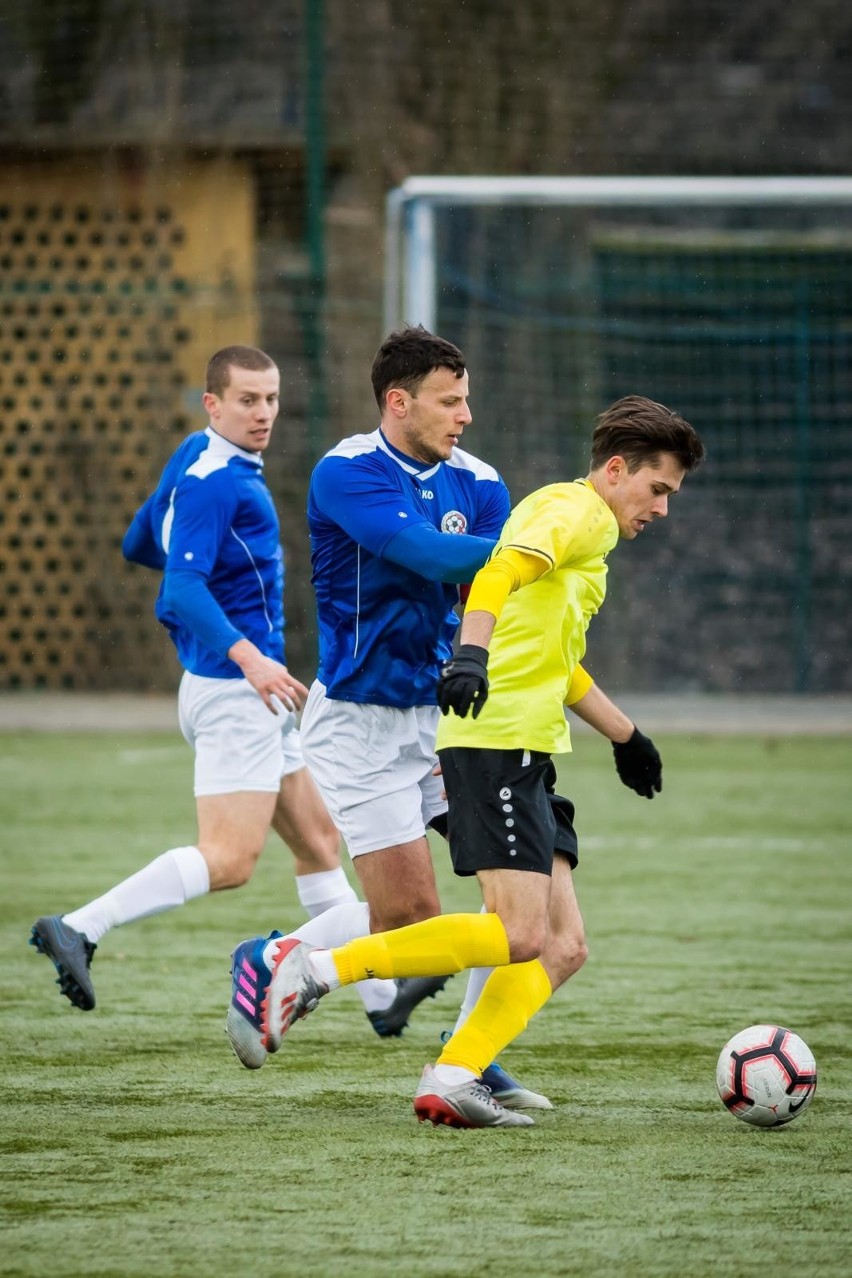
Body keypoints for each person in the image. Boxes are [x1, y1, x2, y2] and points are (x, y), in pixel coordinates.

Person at [242, 394, 706, 1128]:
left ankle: (454, 1072)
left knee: (561, 945)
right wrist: (471, 654)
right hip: (495, 745)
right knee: (517, 932)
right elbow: (495, 576)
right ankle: (313, 968)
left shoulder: (586, 534)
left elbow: (561, 661)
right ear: (616, 471)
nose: (663, 510)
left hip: (528, 746)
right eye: (658, 490)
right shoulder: (576, 513)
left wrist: (625, 736)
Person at [30, 344, 396, 1031]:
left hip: (241, 689)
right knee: (229, 860)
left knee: (319, 842)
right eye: (247, 400)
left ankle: (384, 1001)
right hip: (238, 692)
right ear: (213, 403)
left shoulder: (194, 458)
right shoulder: (215, 480)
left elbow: (141, 542)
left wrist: (213, 598)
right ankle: (80, 927)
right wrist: (248, 656)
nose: (264, 413)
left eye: (272, 398)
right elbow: (179, 587)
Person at [226, 325, 545, 1101]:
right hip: (360, 721)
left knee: (516, 899)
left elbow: (486, 598)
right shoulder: (348, 471)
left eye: (467, 400)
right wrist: (545, 549)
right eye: (450, 401)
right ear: (399, 402)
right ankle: (273, 958)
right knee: (411, 918)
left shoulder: (482, 482)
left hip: (449, 720)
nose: (465, 415)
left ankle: (467, 1053)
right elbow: (433, 558)